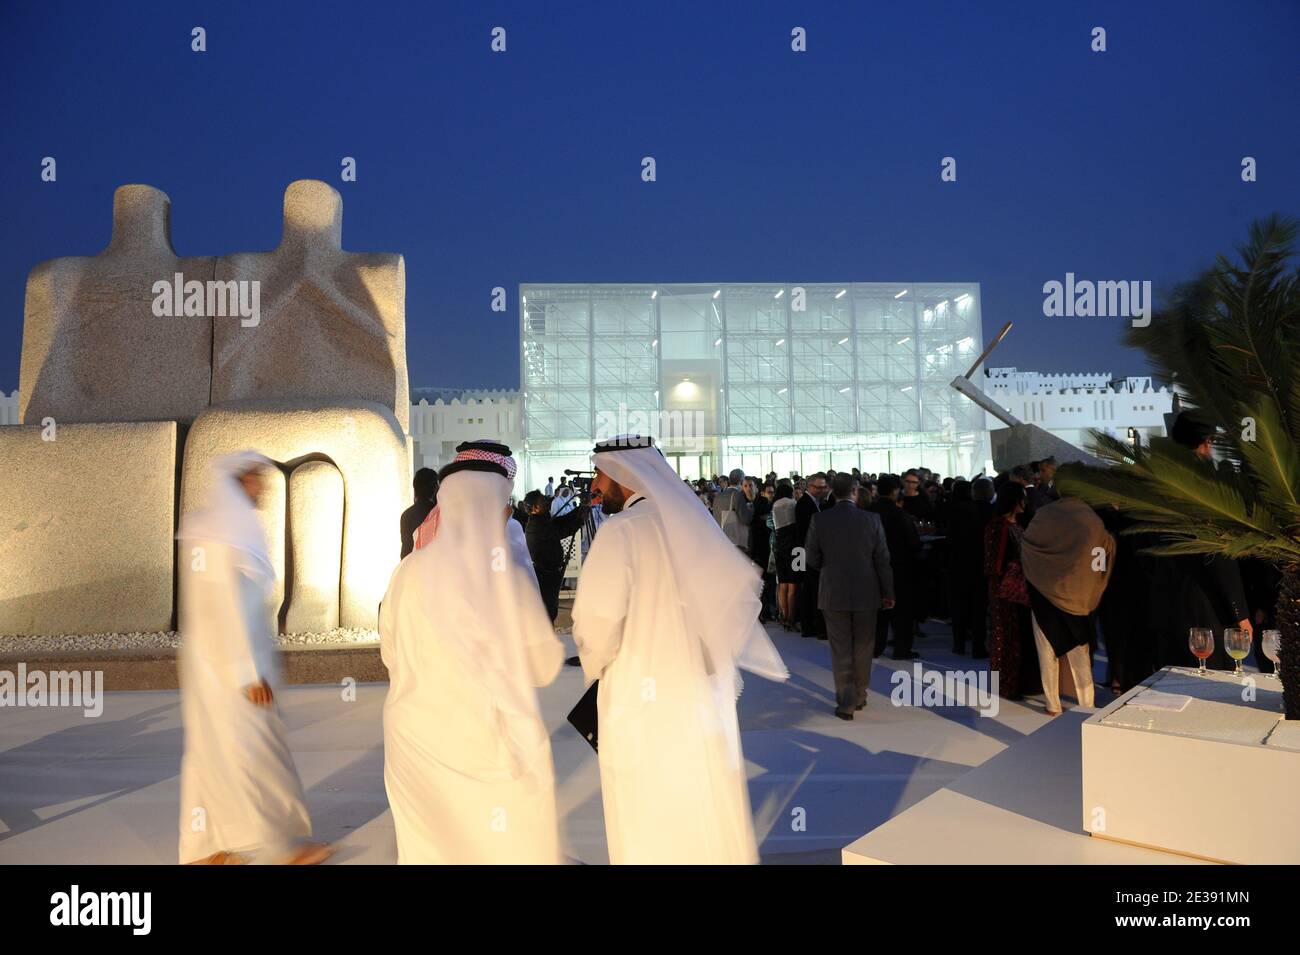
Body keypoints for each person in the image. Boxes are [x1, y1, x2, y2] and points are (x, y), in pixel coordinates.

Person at [571, 435, 788, 864]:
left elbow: (596, 626)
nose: (596, 485)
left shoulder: (622, 532)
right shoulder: (690, 523)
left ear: (622, 475)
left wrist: (598, 672)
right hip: (702, 693)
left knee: (649, 805)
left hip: (642, 694)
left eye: (600, 473)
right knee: (702, 794)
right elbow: (737, 603)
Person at [379, 443, 564, 863]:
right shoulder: (503, 577)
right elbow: (541, 665)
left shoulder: (407, 572)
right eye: (504, 506)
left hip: (412, 741)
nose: (508, 515)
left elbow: (390, 653)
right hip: (480, 745)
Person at [176, 451, 330, 865]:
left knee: (210, 753)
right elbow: (224, 607)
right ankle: (283, 848)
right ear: (234, 482)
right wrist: (248, 674)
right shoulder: (223, 532)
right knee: (256, 754)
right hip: (230, 668)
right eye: (254, 479)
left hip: (217, 664)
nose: (261, 486)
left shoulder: (217, 528)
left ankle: (202, 851)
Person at [1151, 412, 1252, 670]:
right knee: (1212, 689)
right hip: (1207, 612)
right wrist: (1239, 613)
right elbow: (1217, 554)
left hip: (1168, 606)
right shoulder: (1203, 486)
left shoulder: (1159, 483)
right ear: (1206, 442)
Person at [805, 472, 895, 719]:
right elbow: (883, 560)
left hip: (833, 591)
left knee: (841, 648)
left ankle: (846, 702)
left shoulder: (819, 520)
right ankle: (860, 695)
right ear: (855, 492)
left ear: (833, 493)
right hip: (868, 591)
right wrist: (888, 592)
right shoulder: (872, 519)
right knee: (864, 646)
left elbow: (811, 558)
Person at [1020, 498, 1110, 714]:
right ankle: (1086, 703)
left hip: (1045, 592)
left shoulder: (1044, 516)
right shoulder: (1091, 519)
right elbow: (1103, 552)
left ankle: (1052, 703)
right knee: (1080, 653)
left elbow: (1027, 546)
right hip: (1078, 596)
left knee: (1046, 650)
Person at [984, 483, 1039, 700]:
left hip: (1016, 590)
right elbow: (994, 564)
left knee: (1019, 635)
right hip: (1008, 592)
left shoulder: (1013, 524)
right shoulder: (1000, 526)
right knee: (1008, 636)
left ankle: (1021, 682)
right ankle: (1010, 684)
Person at [871, 476, 922, 659]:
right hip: (900, 567)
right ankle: (901, 649)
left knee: (878, 611)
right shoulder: (899, 514)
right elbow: (913, 542)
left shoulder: (869, 512)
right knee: (902, 612)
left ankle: (876, 647)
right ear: (894, 491)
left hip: (874, 567)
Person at [523, 487, 589, 622]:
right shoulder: (536, 526)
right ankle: (546, 633)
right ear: (535, 508)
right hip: (546, 574)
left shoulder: (541, 520)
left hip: (550, 572)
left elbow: (561, 521)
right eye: (542, 501)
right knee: (548, 608)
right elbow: (562, 531)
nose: (547, 502)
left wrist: (579, 509)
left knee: (551, 606)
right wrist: (580, 520)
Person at [945, 479, 992, 657]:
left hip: (958, 563)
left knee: (959, 606)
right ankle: (978, 647)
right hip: (980, 564)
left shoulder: (956, 511)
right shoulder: (989, 511)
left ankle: (958, 644)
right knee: (979, 609)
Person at [795, 472, 831, 639]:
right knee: (809, 590)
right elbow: (805, 532)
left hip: (806, 552)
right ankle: (810, 625)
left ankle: (810, 625)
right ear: (810, 487)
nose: (823, 490)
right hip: (805, 552)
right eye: (820, 487)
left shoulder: (816, 503)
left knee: (811, 590)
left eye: (824, 487)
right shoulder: (805, 504)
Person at [772, 482, 800, 629]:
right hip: (795, 547)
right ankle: (791, 618)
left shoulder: (775, 505)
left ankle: (783, 616)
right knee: (793, 585)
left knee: (782, 584)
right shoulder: (793, 503)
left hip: (779, 547)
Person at [399, 467, 439, 558]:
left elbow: (406, 549)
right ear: (434, 488)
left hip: (412, 566)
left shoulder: (406, 515)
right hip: (433, 565)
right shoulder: (437, 513)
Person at [712, 467, 754, 551]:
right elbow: (745, 519)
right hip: (734, 540)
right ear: (741, 481)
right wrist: (750, 508)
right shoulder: (737, 495)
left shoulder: (718, 496)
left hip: (720, 537)